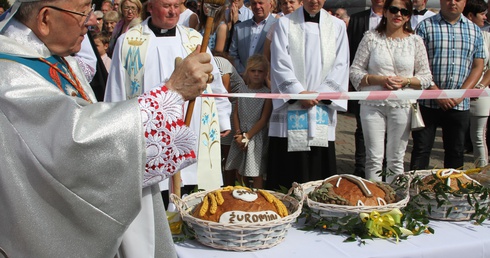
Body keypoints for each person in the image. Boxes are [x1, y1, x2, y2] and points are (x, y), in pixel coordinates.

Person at [0, 0, 213, 257]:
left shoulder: (48, 56)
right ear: (45, 19)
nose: (91, 21)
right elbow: (76, 145)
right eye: (83, 12)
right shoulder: (10, 78)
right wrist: (171, 93)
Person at [105, 0, 232, 254]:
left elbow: (213, 82)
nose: (173, 11)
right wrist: (116, 128)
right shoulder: (129, 41)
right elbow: (117, 89)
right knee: (156, 196)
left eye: (177, 5)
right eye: (166, 5)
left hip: (193, 126)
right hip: (152, 133)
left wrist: (223, 116)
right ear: (150, 7)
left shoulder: (195, 38)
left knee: (193, 189)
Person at [266, 0, 349, 190]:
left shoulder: (337, 26)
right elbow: (279, 61)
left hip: (321, 105)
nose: (314, 1)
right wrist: (298, 92)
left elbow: (341, 64)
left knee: (318, 168)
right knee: (288, 170)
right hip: (292, 105)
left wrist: (320, 94)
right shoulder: (284, 23)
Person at [349, 0, 433, 181]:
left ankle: (396, 200)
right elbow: (355, 72)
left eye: (404, 12)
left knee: (396, 159)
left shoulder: (415, 41)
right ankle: (375, 202)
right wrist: (379, 79)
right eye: (394, 10)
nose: (398, 15)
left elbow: (426, 78)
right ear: (385, 12)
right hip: (372, 104)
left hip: (402, 105)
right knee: (373, 158)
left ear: (409, 16)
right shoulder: (371, 38)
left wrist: (406, 81)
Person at [410, 0, 485, 171]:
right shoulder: (425, 27)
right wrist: (435, 92)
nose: (453, 3)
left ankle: (451, 193)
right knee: (421, 150)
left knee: (456, 152)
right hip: (428, 101)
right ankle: (415, 191)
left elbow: (478, 65)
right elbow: (416, 63)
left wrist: (461, 94)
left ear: (464, 3)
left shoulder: (474, 30)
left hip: (459, 103)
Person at [347, 0, 385, 178]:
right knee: (362, 128)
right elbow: (349, 50)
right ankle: (360, 167)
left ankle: (384, 167)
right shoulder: (357, 19)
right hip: (362, 84)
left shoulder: (395, 17)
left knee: (388, 131)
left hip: (387, 86)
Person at [226, 54, 272, 189]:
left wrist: (247, 137)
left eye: (260, 71)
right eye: (253, 71)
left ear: (265, 74)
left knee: (255, 170)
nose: (256, 74)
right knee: (240, 169)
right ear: (247, 72)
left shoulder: (267, 93)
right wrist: (239, 133)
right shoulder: (242, 89)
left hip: (255, 136)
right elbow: (235, 113)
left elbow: (264, 119)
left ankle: (258, 195)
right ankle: (243, 193)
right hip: (240, 133)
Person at [463, 0, 490, 168]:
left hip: (480, 94)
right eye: (482, 14)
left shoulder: (487, 36)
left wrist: (479, 88)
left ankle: (482, 174)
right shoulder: (461, 34)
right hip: (457, 94)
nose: (485, 17)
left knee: (479, 136)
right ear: (470, 16)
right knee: (455, 138)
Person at [229, 0, 277, 74]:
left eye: (260, 3)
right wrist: (245, 73)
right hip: (242, 78)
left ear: (270, 4)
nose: (257, 6)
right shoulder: (239, 28)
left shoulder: (277, 27)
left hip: (266, 80)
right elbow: (233, 55)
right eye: (254, 3)